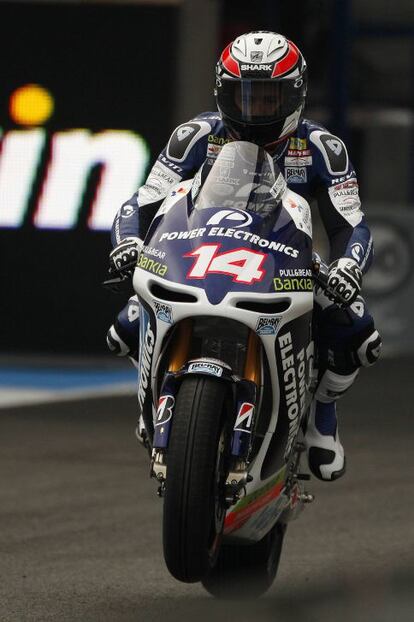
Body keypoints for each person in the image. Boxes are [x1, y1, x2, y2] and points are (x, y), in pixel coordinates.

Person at [106, 31, 382, 481]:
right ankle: (152, 400)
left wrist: (348, 265)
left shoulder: (323, 149)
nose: (254, 110)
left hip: (284, 260)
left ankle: (322, 416)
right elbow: (143, 201)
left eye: (268, 97)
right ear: (222, 93)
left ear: (294, 95)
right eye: (243, 96)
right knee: (124, 328)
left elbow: (351, 224)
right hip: (198, 250)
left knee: (360, 335)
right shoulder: (194, 135)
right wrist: (128, 242)